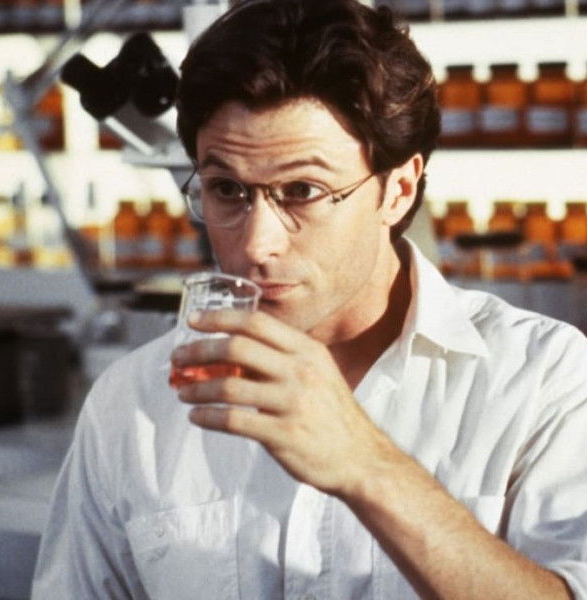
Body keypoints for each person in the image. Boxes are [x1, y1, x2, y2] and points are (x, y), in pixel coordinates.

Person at [32, 1, 587, 598]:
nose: (256, 243)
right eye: (226, 189)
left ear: (398, 191)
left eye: (302, 190)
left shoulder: (543, 380)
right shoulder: (133, 404)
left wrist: (367, 464)